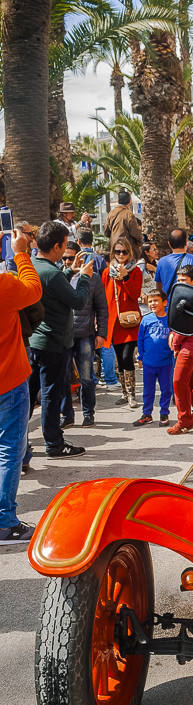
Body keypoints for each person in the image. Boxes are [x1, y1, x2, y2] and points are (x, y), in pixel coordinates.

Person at [28, 221, 92, 459]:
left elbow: (50, 288)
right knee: (51, 397)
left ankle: (21, 444)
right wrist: (84, 277)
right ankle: (54, 444)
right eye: (64, 245)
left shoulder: (33, 265)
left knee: (29, 395)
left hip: (35, 341)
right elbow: (77, 300)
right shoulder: (52, 273)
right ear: (56, 246)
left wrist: (69, 271)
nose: (66, 250)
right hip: (54, 343)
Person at [0, 227, 42, 541]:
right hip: (8, 381)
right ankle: (5, 520)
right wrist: (21, 252)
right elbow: (33, 289)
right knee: (10, 450)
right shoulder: (3, 285)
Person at [59, 241, 108, 429]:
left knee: (87, 377)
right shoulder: (58, 276)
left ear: (79, 257)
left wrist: (101, 333)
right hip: (63, 335)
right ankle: (67, 415)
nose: (67, 261)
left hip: (85, 334)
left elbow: (102, 308)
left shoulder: (93, 278)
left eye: (71, 257)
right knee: (63, 376)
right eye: (64, 258)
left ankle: (88, 413)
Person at [102, 237, 143, 409]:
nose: (120, 255)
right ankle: (125, 394)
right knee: (119, 358)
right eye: (117, 251)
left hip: (130, 321)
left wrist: (125, 277)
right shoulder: (107, 273)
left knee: (127, 357)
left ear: (129, 253)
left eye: (124, 252)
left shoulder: (136, 272)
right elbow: (103, 298)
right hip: (114, 321)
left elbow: (135, 295)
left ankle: (132, 394)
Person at [168, 265, 193, 435]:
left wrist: (175, 345)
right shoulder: (191, 296)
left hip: (188, 344)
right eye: (178, 280)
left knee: (179, 381)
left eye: (184, 280)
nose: (180, 283)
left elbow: (183, 326)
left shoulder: (191, 299)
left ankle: (185, 420)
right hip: (190, 343)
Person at [134, 289, 174, 427]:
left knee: (166, 389)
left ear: (164, 302)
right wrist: (141, 356)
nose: (152, 303)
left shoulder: (170, 319)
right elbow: (140, 339)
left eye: (156, 300)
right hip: (148, 362)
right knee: (148, 390)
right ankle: (147, 414)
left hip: (166, 362)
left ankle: (164, 413)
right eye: (150, 301)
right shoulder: (146, 319)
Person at [154, 229, 193, 297]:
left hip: (168, 305)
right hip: (190, 305)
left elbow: (159, 288)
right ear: (186, 242)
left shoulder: (161, 262)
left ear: (169, 244)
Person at [105, 190, 143, 260]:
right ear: (129, 201)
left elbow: (106, 231)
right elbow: (135, 232)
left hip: (114, 249)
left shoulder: (111, 213)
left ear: (118, 201)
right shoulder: (129, 214)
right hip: (127, 249)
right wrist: (140, 242)